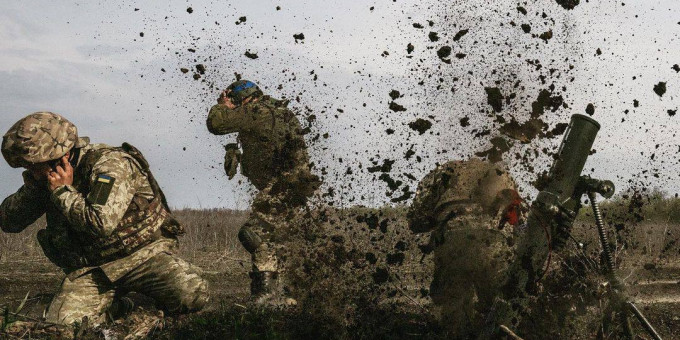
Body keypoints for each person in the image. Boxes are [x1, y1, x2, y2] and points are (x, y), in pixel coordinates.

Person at [0, 112, 209, 326]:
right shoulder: (47, 178)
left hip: (143, 257)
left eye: (34, 164)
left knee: (192, 293)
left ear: (60, 156)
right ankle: (120, 306)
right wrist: (35, 188)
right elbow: (9, 222)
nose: (31, 170)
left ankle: (141, 302)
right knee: (64, 325)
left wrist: (63, 191)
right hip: (93, 270)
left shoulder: (110, 164)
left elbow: (100, 223)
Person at [207, 80, 320, 306]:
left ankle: (267, 294)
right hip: (294, 187)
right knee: (282, 238)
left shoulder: (255, 110)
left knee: (254, 233)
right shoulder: (281, 112)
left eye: (235, 101)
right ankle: (294, 293)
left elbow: (216, 124)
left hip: (283, 188)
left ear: (243, 99)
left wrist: (222, 105)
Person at [407, 159, 528, 338]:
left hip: (453, 240)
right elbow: (521, 222)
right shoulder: (500, 173)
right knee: (502, 308)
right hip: (494, 244)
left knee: (452, 313)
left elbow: (415, 220)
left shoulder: (443, 172)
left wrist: (438, 218)